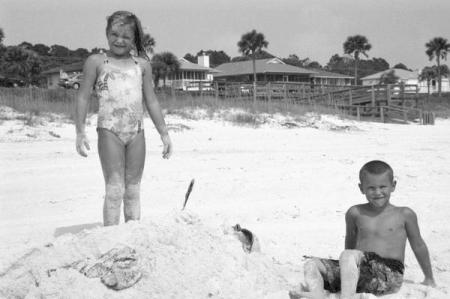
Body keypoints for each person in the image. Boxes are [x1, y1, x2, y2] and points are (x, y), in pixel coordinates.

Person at [75, 11, 172, 226]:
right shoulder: (97, 61)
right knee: (115, 188)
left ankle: (133, 234)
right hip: (109, 130)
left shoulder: (142, 65)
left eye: (126, 37)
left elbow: (152, 101)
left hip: (137, 132)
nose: (119, 40)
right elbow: (82, 97)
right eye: (114, 34)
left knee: (133, 189)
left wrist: (164, 134)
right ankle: (111, 236)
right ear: (107, 33)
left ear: (135, 39)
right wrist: (80, 131)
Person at [290, 160, 435, 299]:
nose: (377, 192)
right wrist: (347, 271)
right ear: (361, 188)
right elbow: (350, 243)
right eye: (371, 188)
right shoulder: (355, 213)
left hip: (389, 274)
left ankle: (346, 297)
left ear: (393, 186)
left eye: (383, 187)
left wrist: (429, 277)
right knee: (312, 264)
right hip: (359, 272)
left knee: (349, 255)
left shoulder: (404, 214)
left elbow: (418, 245)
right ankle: (318, 295)